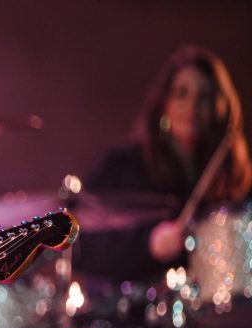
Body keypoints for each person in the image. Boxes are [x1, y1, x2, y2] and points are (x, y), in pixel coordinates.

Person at [80, 46, 252, 281]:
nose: (192, 106)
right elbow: (82, 245)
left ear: (220, 108)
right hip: (136, 302)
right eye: (181, 93)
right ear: (163, 103)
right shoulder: (122, 165)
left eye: (204, 97)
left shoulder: (236, 175)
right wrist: (147, 245)